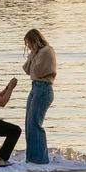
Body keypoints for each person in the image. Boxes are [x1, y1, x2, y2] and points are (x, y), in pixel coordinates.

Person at [22, 28, 56, 164]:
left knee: (35, 123)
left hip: (43, 88)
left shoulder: (47, 51)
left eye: (29, 43)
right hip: (35, 87)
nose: (28, 46)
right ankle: (32, 157)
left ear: (34, 40)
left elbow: (37, 71)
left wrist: (33, 56)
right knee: (28, 124)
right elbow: (26, 69)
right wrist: (32, 55)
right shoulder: (36, 53)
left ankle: (40, 159)